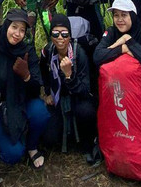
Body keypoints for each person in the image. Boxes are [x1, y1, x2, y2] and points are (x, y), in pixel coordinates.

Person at [0, 8, 50, 169]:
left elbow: (35, 88)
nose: (17, 33)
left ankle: (32, 146)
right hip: (3, 105)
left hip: (24, 101)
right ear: (6, 26)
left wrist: (26, 76)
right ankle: (6, 133)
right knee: (13, 156)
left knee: (41, 113)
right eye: (14, 27)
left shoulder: (27, 51)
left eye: (22, 30)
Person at [39, 14, 97, 159]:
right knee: (50, 139)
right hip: (58, 98)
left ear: (70, 37)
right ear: (51, 35)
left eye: (64, 34)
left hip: (78, 97)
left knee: (86, 111)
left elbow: (85, 90)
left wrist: (69, 76)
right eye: (55, 33)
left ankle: (87, 144)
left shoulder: (79, 54)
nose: (60, 38)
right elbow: (43, 73)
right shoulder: (47, 52)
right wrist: (47, 93)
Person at [94, 0, 141, 73]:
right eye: (116, 15)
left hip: (138, 81)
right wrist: (122, 49)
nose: (120, 19)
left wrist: (129, 40)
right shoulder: (111, 32)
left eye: (124, 15)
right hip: (114, 79)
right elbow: (97, 56)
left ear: (132, 16)